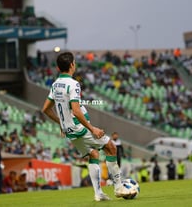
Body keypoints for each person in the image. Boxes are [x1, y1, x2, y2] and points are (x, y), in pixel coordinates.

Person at [41, 51, 135, 201]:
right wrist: (93, 129)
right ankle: (119, 187)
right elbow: (77, 111)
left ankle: (98, 193)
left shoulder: (55, 84)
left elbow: (45, 109)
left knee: (94, 155)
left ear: (58, 68)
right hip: (79, 128)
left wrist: (62, 123)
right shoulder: (73, 84)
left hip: (68, 130)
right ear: (72, 65)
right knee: (111, 147)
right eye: (75, 63)